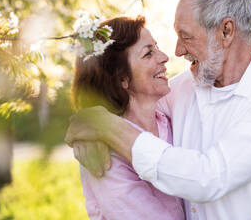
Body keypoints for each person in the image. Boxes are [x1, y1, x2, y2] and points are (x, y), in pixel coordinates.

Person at [66, 0, 251, 220]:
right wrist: (91, 125)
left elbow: (208, 178)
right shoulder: (180, 89)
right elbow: (121, 103)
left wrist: (106, 127)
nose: (176, 51)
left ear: (226, 31)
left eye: (186, 36)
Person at [71, 16, 185, 219]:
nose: (165, 57)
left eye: (156, 48)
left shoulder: (169, 120)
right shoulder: (105, 152)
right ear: (122, 78)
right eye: (148, 53)